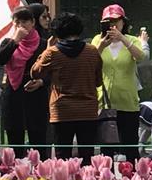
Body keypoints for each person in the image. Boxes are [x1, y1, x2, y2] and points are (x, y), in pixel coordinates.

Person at [29, 12, 102, 163]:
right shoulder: (92, 51)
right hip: (87, 110)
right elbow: (98, 82)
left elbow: (35, 73)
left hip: (62, 111)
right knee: (87, 157)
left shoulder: (52, 53)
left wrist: (46, 49)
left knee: (62, 158)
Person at [91, 4, 149, 160]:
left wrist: (123, 39)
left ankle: (133, 174)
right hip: (105, 102)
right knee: (107, 150)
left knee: (130, 146)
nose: (113, 25)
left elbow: (141, 57)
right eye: (109, 21)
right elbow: (90, 61)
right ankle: (106, 175)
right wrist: (101, 45)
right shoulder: (97, 39)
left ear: (124, 22)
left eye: (116, 21)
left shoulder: (132, 40)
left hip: (127, 101)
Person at [0, 6, 49, 158]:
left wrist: (41, 81)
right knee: (15, 142)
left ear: (33, 22)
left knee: (38, 143)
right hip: (14, 93)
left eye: (25, 21)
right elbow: (1, 59)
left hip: (35, 94)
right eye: (17, 22)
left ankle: (41, 171)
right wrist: (15, 41)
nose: (21, 25)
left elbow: (52, 70)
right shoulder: (8, 42)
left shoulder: (43, 44)